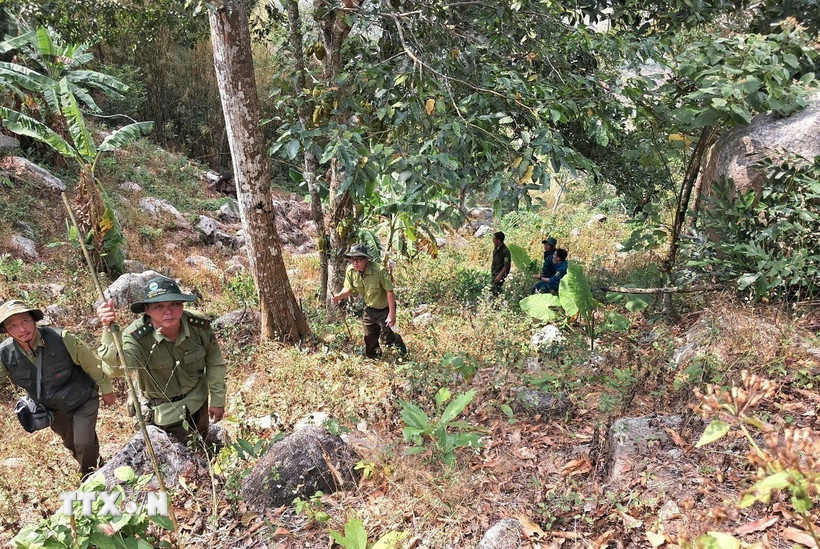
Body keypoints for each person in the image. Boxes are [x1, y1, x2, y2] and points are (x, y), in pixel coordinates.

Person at [96, 276, 227, 445]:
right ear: (147, 309)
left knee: (202, 450)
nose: (169, 311)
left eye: (174, 304)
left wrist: (217, 399)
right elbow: (117, 369)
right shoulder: (136, 336)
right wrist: (108, 329)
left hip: (198, 402)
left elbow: (214, 362)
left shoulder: (198, 325)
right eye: (159, 306)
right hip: (163, 415)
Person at [0, 300, 116, 477]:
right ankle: (97, 465)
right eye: (13, 325)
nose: (22, 329)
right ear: (6, 331)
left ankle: (89, 478)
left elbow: (92, 365)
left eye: (25, 321)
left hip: (81, 398)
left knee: (83, 442)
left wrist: (107, 389)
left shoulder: (62, 338)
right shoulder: (5, 353)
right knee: (71, 443)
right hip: (52, 409)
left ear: (33, 320)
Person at [331, 243, 407, 359]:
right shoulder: (351, 271)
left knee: (387, 337)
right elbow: (349, 288)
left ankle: (401, 350)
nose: (355, 263)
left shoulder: (379, 270)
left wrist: (392, 314)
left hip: (385, 308)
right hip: (369, 308)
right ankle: (375, 357)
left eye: (358, 260)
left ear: (366, 259)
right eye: (352, 260)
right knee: (369, 336)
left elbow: (389, 292)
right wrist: (339, 296)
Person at [490, 231, 511, 296]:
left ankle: (498, 301)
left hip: (500, 273)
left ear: (499, 241)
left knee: (495, 288)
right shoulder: (496, 247)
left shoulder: (505, 251)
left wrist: (500, 275)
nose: (493, 240)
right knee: (493, 288)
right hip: (495, 271)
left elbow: (506, 266)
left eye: (494, 239)